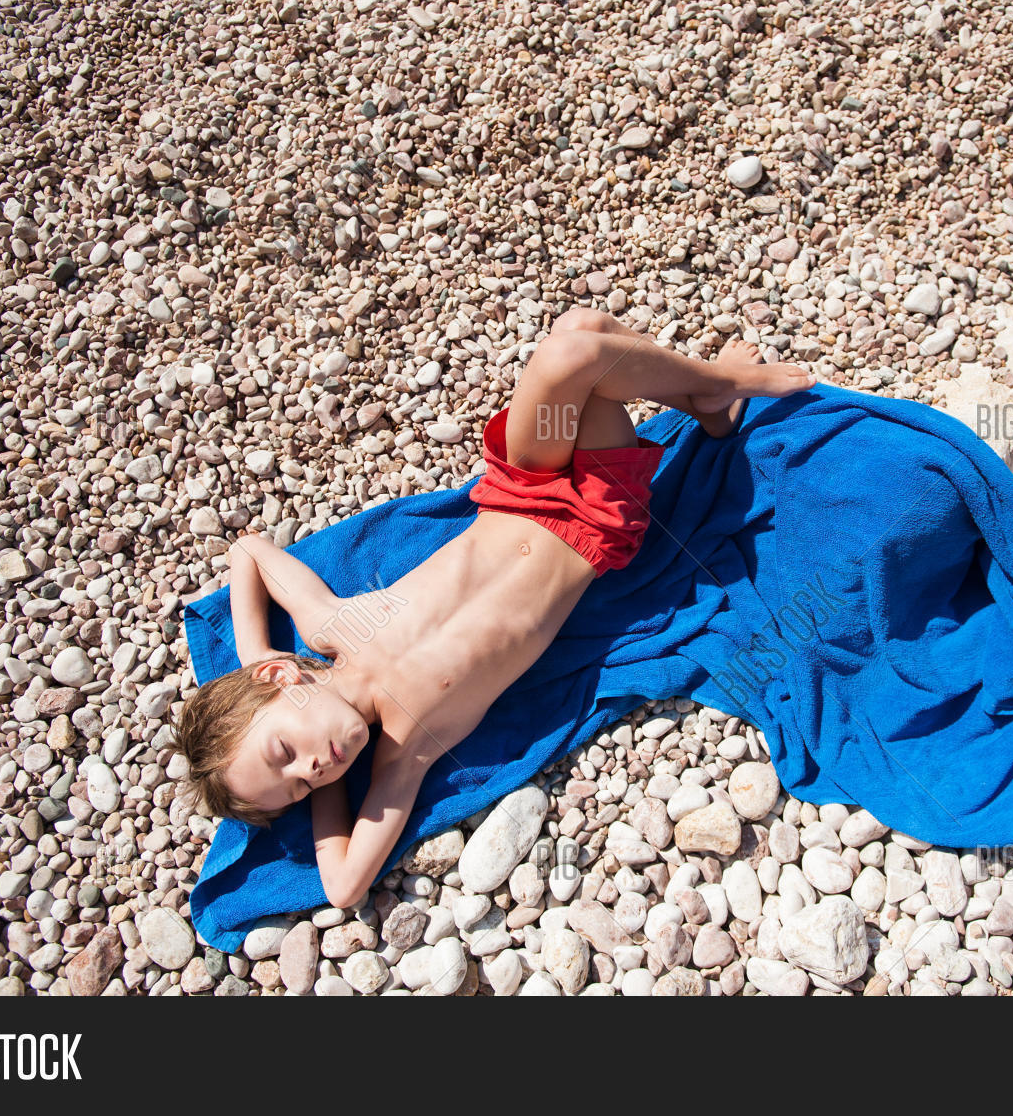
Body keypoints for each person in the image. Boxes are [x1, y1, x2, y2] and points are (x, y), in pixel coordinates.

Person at [172, 307, 815, 910]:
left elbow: (249, 552)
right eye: (301, 789)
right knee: (586, 364)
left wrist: (256, 652)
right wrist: (329, 782)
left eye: (286, 751)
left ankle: (712, 389)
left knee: (578, 336)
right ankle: (710, 395)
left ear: (281, 679)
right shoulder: (405, 749)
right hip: (595, 510)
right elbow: (342, 884)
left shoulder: (329, 626)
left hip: (527, 483)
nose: (310, 771)